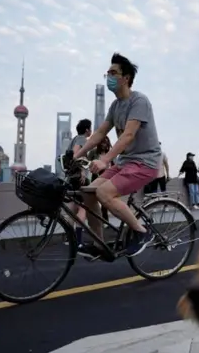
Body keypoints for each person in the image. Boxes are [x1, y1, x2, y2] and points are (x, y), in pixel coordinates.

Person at [73, 52, 161, 259]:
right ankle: (99, 244)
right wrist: (76, 156)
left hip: (145, 162)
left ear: (126, 77)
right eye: (107, 73)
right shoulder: (115, 106)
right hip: (125, 163)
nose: (109, 77)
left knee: (104, 193)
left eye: (113, 73)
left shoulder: (139, 101)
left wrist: (104, 159)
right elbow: (99, 134)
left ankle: (142, 232)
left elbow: (128, 135)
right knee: (88, 192)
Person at [67, 119, 93, 245]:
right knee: (83, 208)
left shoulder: (74, 139)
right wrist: (82, 170)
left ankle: (69, 238)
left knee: (72, 207)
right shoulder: (82, 139)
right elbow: (76, 155)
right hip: (79, 177)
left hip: (71, 177)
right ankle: (78, 240)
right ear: (87, 129)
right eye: (90, 128)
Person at [87, 136, 113, 222]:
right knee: (94, 198)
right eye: (102, 143)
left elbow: (114, 165)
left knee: (104, 199)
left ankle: (105, 219)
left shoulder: (110, 153)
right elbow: (87, 162)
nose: (104, 145)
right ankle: (95, 218)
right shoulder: (94, 152)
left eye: (106, 143)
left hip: (108, 178)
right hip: (96, 177)